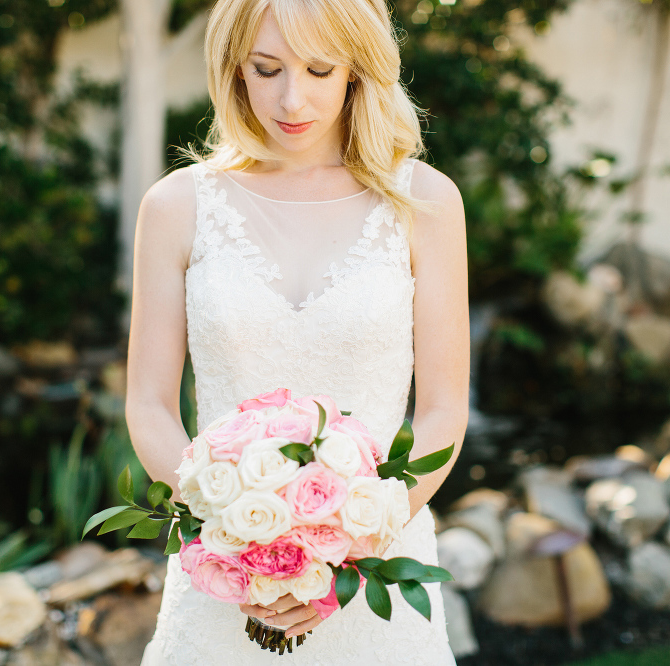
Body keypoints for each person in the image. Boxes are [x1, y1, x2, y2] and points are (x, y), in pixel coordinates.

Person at [126, 0, 469, 661]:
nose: (291, 98)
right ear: (235, 70)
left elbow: (445, 409)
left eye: (318, 69)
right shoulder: (175, 206)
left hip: (377, 574)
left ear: (356, 70)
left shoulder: (425, 203)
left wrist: (349, 548)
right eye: (266, 68)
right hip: (221, 575)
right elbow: (148, 403)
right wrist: (234, 538)